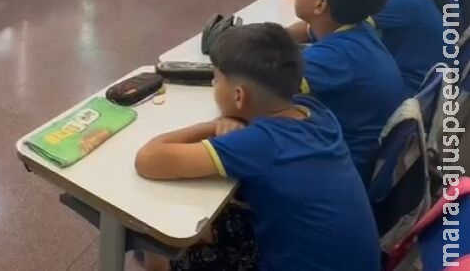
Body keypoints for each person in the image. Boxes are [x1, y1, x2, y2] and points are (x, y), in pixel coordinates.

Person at [136, 23, 380, 271]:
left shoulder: (261, 143)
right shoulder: (313, 111)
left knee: (154, 236)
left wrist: (210, 126)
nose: (213, 84)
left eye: (217, 79)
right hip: (346, 259)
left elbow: (148, 159)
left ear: (239, 96)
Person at [287, 0, 407, 183]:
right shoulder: (358, 31)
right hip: (353, 163)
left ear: (320, 4)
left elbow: (254, 92)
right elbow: (306, 32)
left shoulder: (336, 56)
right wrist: (274, 38)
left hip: (329, 173)